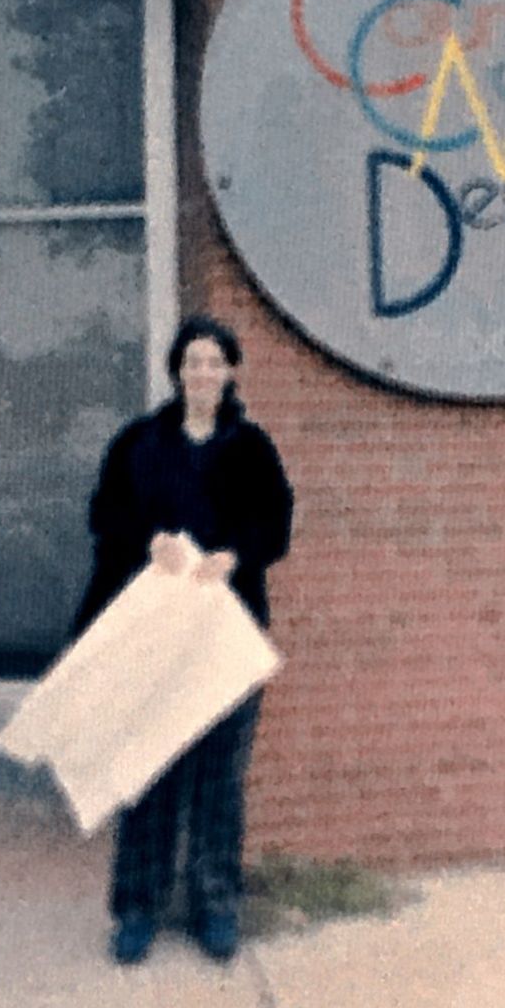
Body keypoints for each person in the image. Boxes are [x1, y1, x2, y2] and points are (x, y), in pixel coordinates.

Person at [72, 314, 294, 967]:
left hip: (225, 632)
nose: (203, 373)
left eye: (214, 362)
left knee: (219, 777)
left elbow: (276, 525)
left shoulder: (252, 448)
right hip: (154, 634)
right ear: (177, 371)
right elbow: (102, 511)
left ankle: (215, 905)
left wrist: (235, 553)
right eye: (192, 361)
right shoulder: (139, 443)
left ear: (229, 372)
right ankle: (138, 907)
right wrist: (148, 539)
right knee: (149, 766)